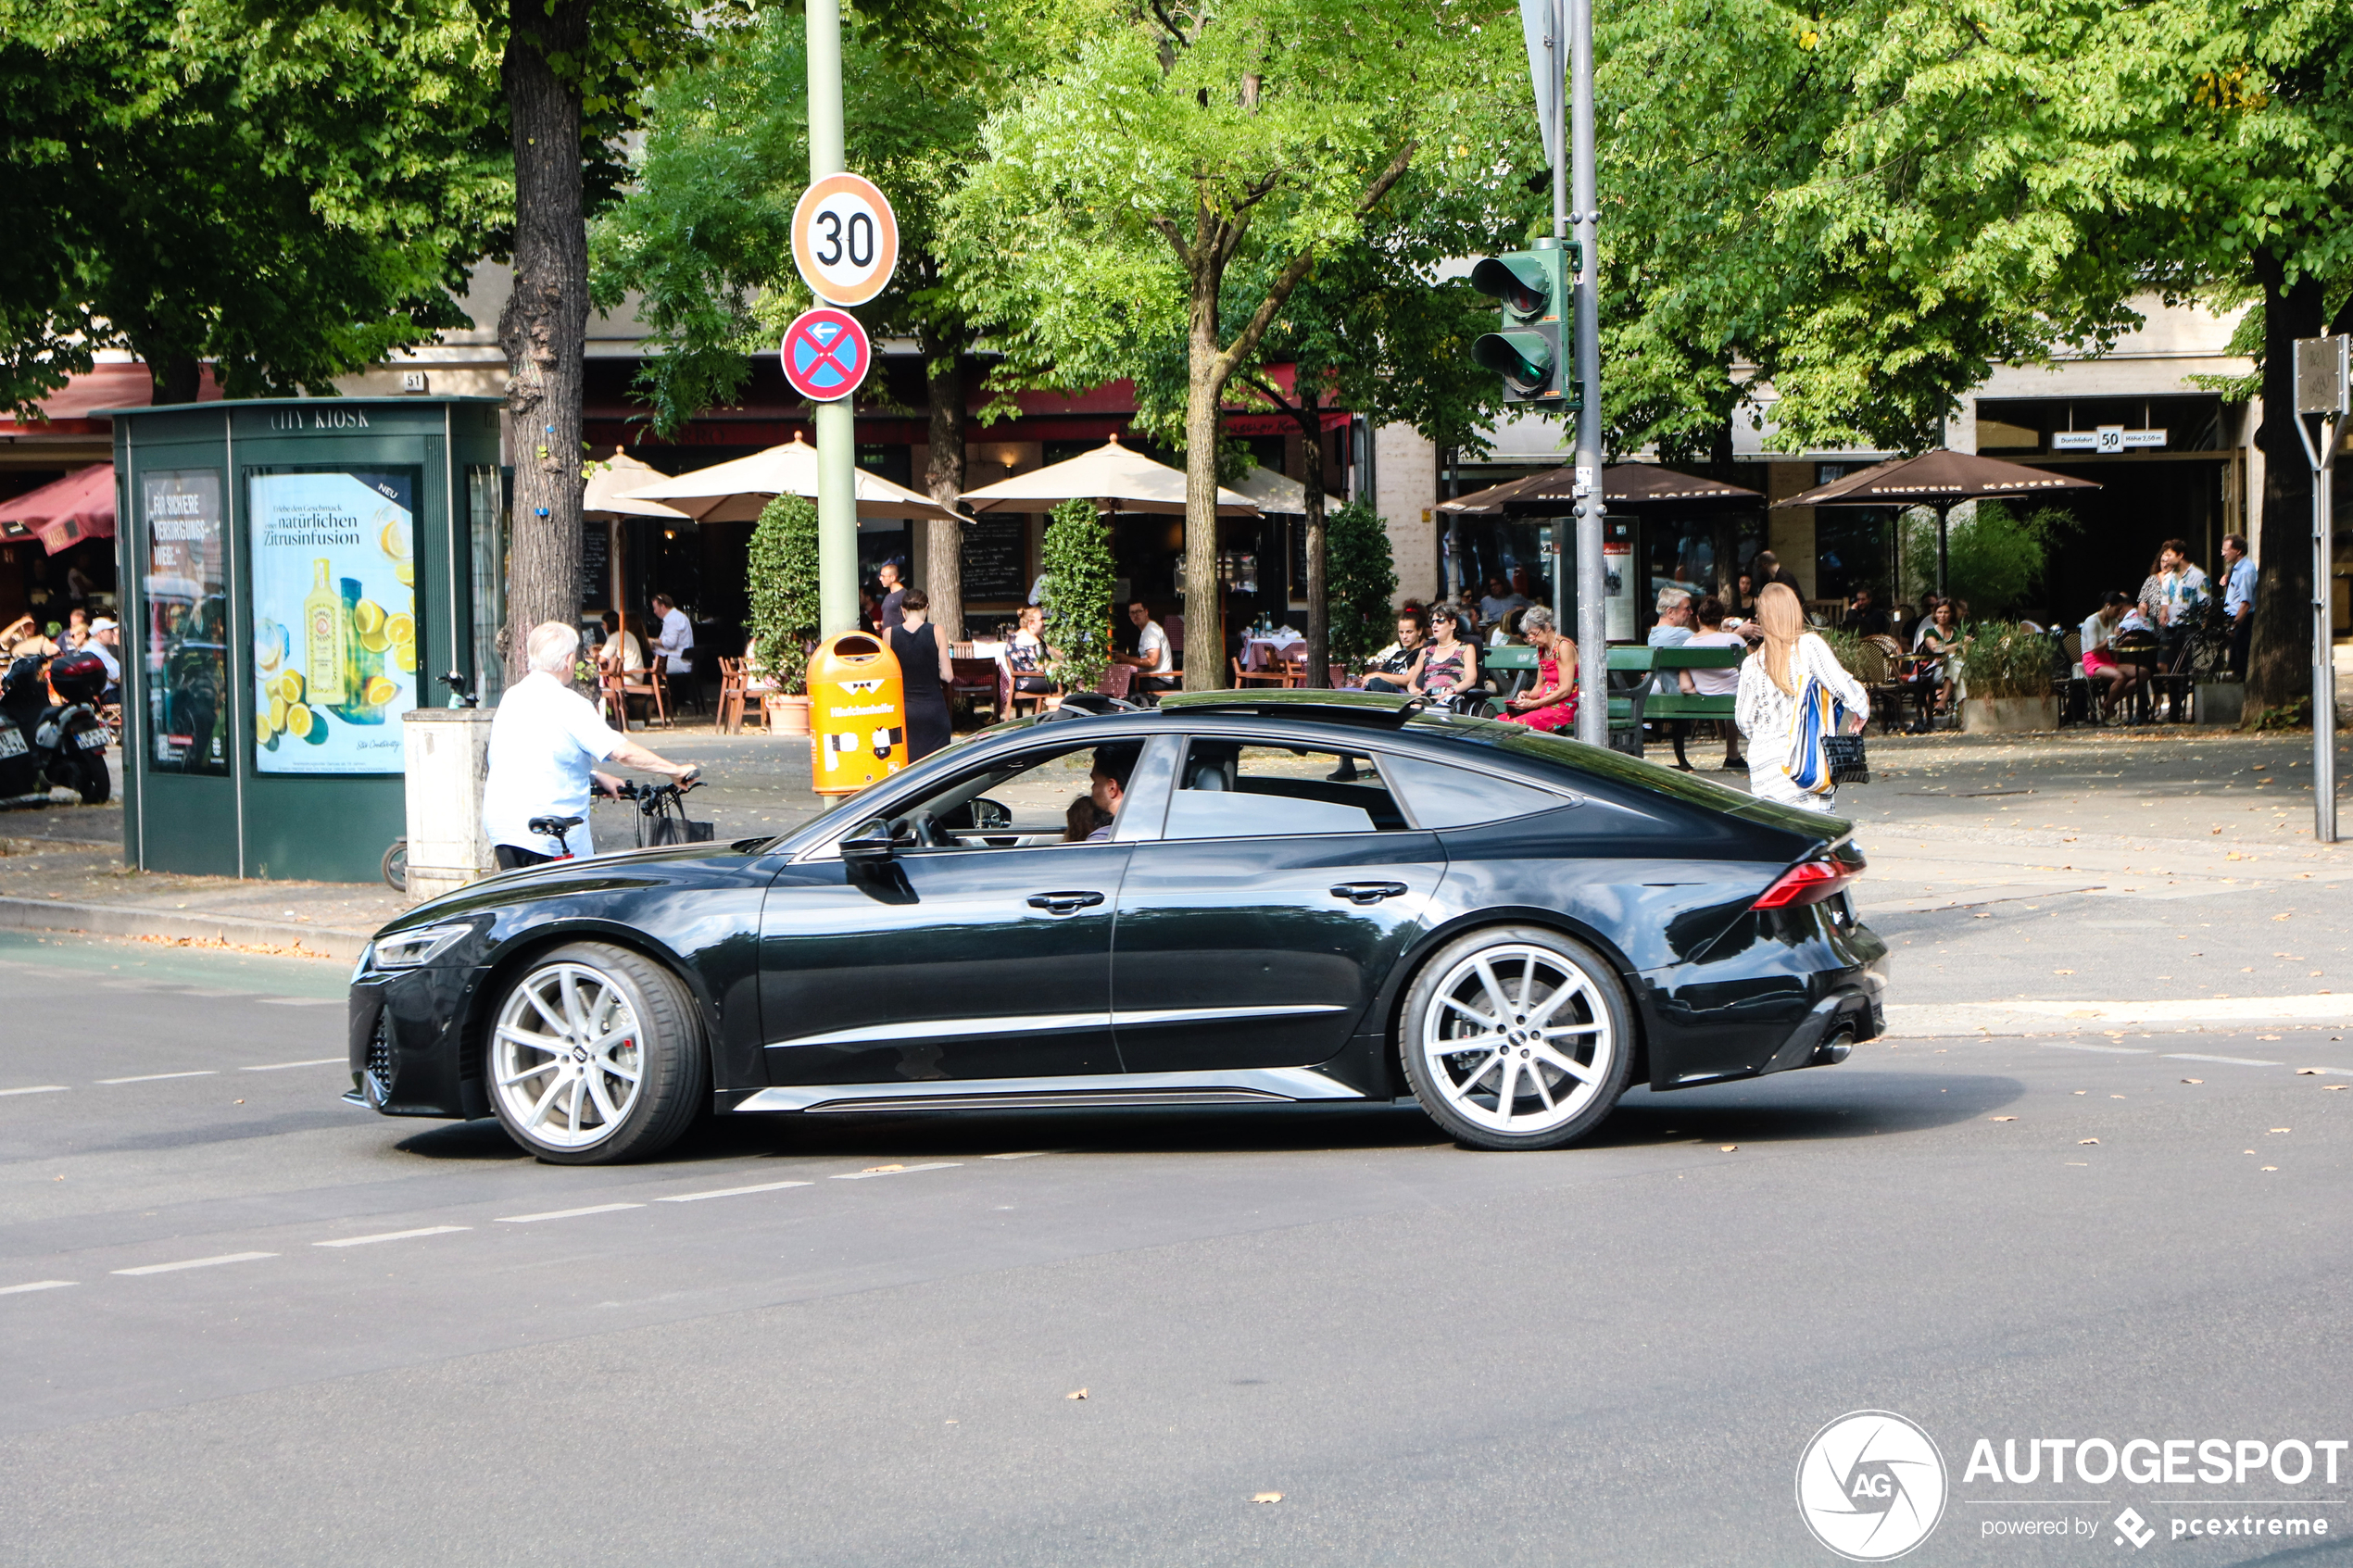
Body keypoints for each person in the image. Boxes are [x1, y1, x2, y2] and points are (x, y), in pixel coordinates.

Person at [481, 621, 697, 870]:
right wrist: (674, 770)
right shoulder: (568, 703)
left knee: (524, 902)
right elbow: (623, 753)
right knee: (574, 900)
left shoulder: (512, 696)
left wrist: (594, 775)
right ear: (569, 660)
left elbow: (528, 756)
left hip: (504, 828)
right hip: (545, 835)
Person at [1736, 583, 1869, 811]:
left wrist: (1767, 736)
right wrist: (1862, 709)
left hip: (1763, 768)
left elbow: (1744, 720)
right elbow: (1843, 687)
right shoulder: (1808, 645)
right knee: (1816, 834)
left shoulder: (1751, 663)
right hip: (1804, 762)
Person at [1676, 596, 1747, 770]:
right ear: (1721, 619)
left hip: (1703, 694)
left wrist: (1695, 689)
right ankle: (1732, 753)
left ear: (1698, 618)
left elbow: (1685, 686)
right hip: (1734, 697)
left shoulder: (1688, 644)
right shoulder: (1733, 641)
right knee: (1736, 692)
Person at [888, 587, 956, 761]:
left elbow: (888, 677)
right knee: (937, 766)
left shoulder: (889, 634)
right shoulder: (937, 631)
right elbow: (948, 675)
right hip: (933, 708)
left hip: (904, 710)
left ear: (903, 610)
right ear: (927, 608)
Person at [1495, 604, 1578, 733]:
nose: (1532, 639)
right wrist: (1528, 696)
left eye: (1534, 633)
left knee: (1515, 726)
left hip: (1562, 708)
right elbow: (1539, 685)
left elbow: (1566, 690)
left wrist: (1534, 704)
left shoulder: (1564, 647)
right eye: (1529, 635)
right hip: (1543, 705)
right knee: (1497, 723)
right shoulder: (1542, 648)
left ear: (1547, 627)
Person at [2079, 592, 2140, 721]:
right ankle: (2110, 710)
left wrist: (2123, 641)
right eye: (2117, 610)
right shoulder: (2092, 621)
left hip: (2108, 659)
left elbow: (2111, 646)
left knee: (2142, 673)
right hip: (2093, 661)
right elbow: (2095, 649)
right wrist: (2113, 636)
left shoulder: (2113, 621)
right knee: (2120, 677)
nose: (2118, 614)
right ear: (2108, 606)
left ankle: (2108, 703)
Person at [1403, 603, 1478, 708]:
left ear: (1453, 624)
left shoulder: (1466, 648)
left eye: (1440, 621)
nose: (1434, 625)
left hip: (1452, 698)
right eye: (1432, 622)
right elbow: (1412, 682)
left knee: (1440, 707)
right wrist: (1414, 691)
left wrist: (1450, 691)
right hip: (1427, 698)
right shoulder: (1425, 651)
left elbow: (1471, 680)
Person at [1076, 743, 1140, 842]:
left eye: (1095, 782)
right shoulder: (1147, 826)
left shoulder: (1102, 839)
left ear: (1112, 788)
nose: (1092, 789)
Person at [1112, 601, 1179, 695]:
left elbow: (1152, 661)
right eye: (1132, 613)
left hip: (1160, 680)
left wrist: (1126, 659)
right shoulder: (1147, 630)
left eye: (1139, 611)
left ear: (1146, 612)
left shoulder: (1150, 631)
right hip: (1155, 677)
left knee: (1121, 684)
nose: (1135, 615)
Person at [1361, 610, 1428, 694]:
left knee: (1377, 682)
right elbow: (1382, 671)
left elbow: (1408, 679)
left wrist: (1377, 675)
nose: (1404, 636)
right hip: (1382, 688)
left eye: (1409, 632)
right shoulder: (1398, 654)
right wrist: (1365, 679)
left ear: (1419, 631)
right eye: (1401, 632)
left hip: (1400, 692)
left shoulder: (1420, 653)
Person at [2220, 533, 2256, 676]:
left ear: (2238, 550)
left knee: (2240, 659)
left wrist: (2234, 626)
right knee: (2234, 659)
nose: (2223, 554)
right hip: (2233, 618)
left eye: (2226, 550)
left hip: (2241, 620)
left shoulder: (2246, 571)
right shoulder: (2236, 569)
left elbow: (2246, 603)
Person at [1008, 604, 1057, 698]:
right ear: (1031, 624)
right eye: (1041, 619)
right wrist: (1063, 666)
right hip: (1032, 680)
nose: (1044, 622)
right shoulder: (1033, 640)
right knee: (1068, 680)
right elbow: (1043, 667)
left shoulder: (1014, 638)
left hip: (1018, 681)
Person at [650, 592, 694, 677]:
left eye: (655, 608)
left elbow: (670, 643)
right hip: (677, 661)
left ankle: (653, 689)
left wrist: (653, 641)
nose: (654, 612)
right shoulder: (677, 616)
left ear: (663, 606)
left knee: (645, 666)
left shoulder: (673, 619)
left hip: (676, 662)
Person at [597, 609, 645, 676]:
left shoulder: (615, 636)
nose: (603, 627)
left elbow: (601, 659)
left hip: (627, 677)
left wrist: (592, 652)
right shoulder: (629, 634)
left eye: (604, 624)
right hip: (637, 676)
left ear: (610, 625)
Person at [85, 616, 122, 702]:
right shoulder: (98, 651)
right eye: (110, 631)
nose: (113, 634)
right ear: (100, 634)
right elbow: (118, 677)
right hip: (110, 696)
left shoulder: (87, 648)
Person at [874, 561, 907, 635]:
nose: (880, 578)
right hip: (887, 639)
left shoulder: (904, 595)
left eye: (883, 576)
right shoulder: (888, 596)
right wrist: (880, 623)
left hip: (899, 638)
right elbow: (891, 618)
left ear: (893, 578)